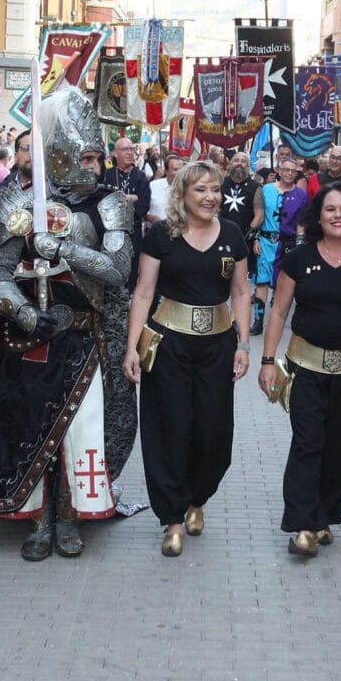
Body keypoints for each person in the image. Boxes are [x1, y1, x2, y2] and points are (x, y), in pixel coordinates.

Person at [0, 87, 134, 560]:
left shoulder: (110, 203)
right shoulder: (19, 203)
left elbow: (118, 270)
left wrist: (63, 248)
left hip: (86, 336)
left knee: (77, 431)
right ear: (60, 154)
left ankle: (68, 516)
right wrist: (24, 312)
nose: (95, 167)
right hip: (33, 338)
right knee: (31, 426)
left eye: (97, 157)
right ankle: (38, 519)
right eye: (85, 157)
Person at [123, 161, 250, 557]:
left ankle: (198, 497)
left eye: (215, 189)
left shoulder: (232, 234)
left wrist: (244, 344)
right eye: (201, 190)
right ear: (182, 194)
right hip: (169, 345)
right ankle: (173, 517)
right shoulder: (162, 235)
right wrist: (132, 347)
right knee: (170, 429)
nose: (211, 197)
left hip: (218, 346)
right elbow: (144, 292)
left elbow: (241, 292)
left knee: (213, 433)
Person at [259, 183, 341, 556]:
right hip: (305, 370)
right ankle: (303, 525)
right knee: (307, 443)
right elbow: (279, 312)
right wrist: (268, 361)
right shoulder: (299, 259)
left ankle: (324, 515)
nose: (338, 216)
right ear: (318, 216)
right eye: (330, 209)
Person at [252, 158, 309, 335]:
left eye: (293, 171)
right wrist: (255, 239)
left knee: (281, 284)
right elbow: (258, 216)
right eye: (286, 170)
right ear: (279, 170)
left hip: (288, 245)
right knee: (261, 281)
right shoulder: (265, 189)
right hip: (266, 241)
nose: (289, 173)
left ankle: (276, 321)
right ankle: (258, 321)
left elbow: (302, 222)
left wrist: (300, 245)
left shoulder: (301, 195)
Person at [105, 136, 151, 290]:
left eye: (132, 149)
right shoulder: (107, 175)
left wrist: (121, 200)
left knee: (131, 270)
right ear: (115, 153)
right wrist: (131, 198)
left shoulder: (140, 177)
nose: (130, 152)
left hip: (133, 232)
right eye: (125, 149)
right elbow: (103, 203)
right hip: (109, 232)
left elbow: (143, 205)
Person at [147, 153, 182, 225]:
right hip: (155, 229)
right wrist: (152, 218)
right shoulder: (153, 186)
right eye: (175, 169)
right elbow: (141, 211)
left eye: (181, 170)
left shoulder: (187, 189)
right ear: (166, 171)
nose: (179, 173)